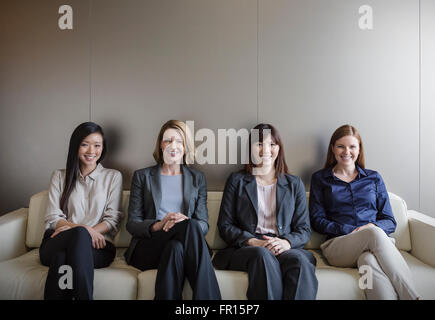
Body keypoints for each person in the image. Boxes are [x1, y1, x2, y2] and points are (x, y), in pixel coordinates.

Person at [309, 124, 420, 300]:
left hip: (372, 245)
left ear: (359, 149)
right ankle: (413, 297)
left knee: (368, 261)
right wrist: (353, 230)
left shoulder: (373, 178)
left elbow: (390, 221)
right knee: (372, 233)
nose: (347, 151)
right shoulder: (320, 179)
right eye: (341, 146)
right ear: (332, 148)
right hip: (338, 246)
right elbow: (317, 220)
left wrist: (369, 228)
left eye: (352, 146)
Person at [213, 123, 318, 300]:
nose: (266, 150)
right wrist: (254, 242)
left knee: (300, 262)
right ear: (251, 148)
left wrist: (286, 243)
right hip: (249, 249)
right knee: (262, 255)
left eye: (272, 144)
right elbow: (225, 225)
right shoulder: (237, 180)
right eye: (259, 144)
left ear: (279, 148)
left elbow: (304, 229)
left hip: (283, 247)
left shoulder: (294, 184)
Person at [124, 120, 221, 300]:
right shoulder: (143, 176)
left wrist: (183, 223)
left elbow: (203, 224)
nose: (173, 146)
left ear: (186, 147)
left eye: (179, 141)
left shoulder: (197, 178)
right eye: (168, 140)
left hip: (184, 245)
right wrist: (159, 225)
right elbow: (132, 223)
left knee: (176, 246)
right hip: (150, 245)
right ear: (160, 144)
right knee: (187, 229)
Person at [40, 122, 123, 300]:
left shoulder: (113, 177)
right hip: (57, 242)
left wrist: (84, 233)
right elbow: (53, 217)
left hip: (98, 248)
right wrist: (86, 230)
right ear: (76, 146)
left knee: (62, 258)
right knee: (78, 234)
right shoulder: (59, 176)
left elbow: (112, 220)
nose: (91, 151)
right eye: (85, 144)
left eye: (97, 145)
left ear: (103, 148)